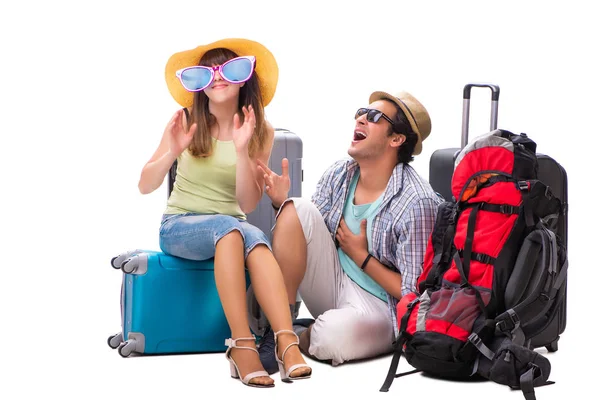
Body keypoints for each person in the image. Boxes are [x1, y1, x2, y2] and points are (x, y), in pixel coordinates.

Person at [137, 38, 311, 388]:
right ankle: (242, 346)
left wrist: (244, 149)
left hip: (233, 227)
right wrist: (172, 151)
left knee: (252, 237)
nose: (218, 78)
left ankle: (286, 342)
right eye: (207, 71)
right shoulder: (186, 121)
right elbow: (145, 184)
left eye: (229, 70)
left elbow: (246, 205)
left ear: (244, 79)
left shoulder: (259, 129)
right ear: (198, 84)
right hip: (180, 227)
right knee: (231, 230)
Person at [255, 90, 443, 370]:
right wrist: (282, 204)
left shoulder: (417, 202)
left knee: (329, 340)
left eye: (375, 117)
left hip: (380, 306)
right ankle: (280, 333)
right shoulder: (340, 174)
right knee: (298, 207)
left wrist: (362, 257)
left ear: (396, 139)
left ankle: (307, 332)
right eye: (361, 112)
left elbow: (414, 292)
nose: (362, 119)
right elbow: (306, 236)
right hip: (333, 282)